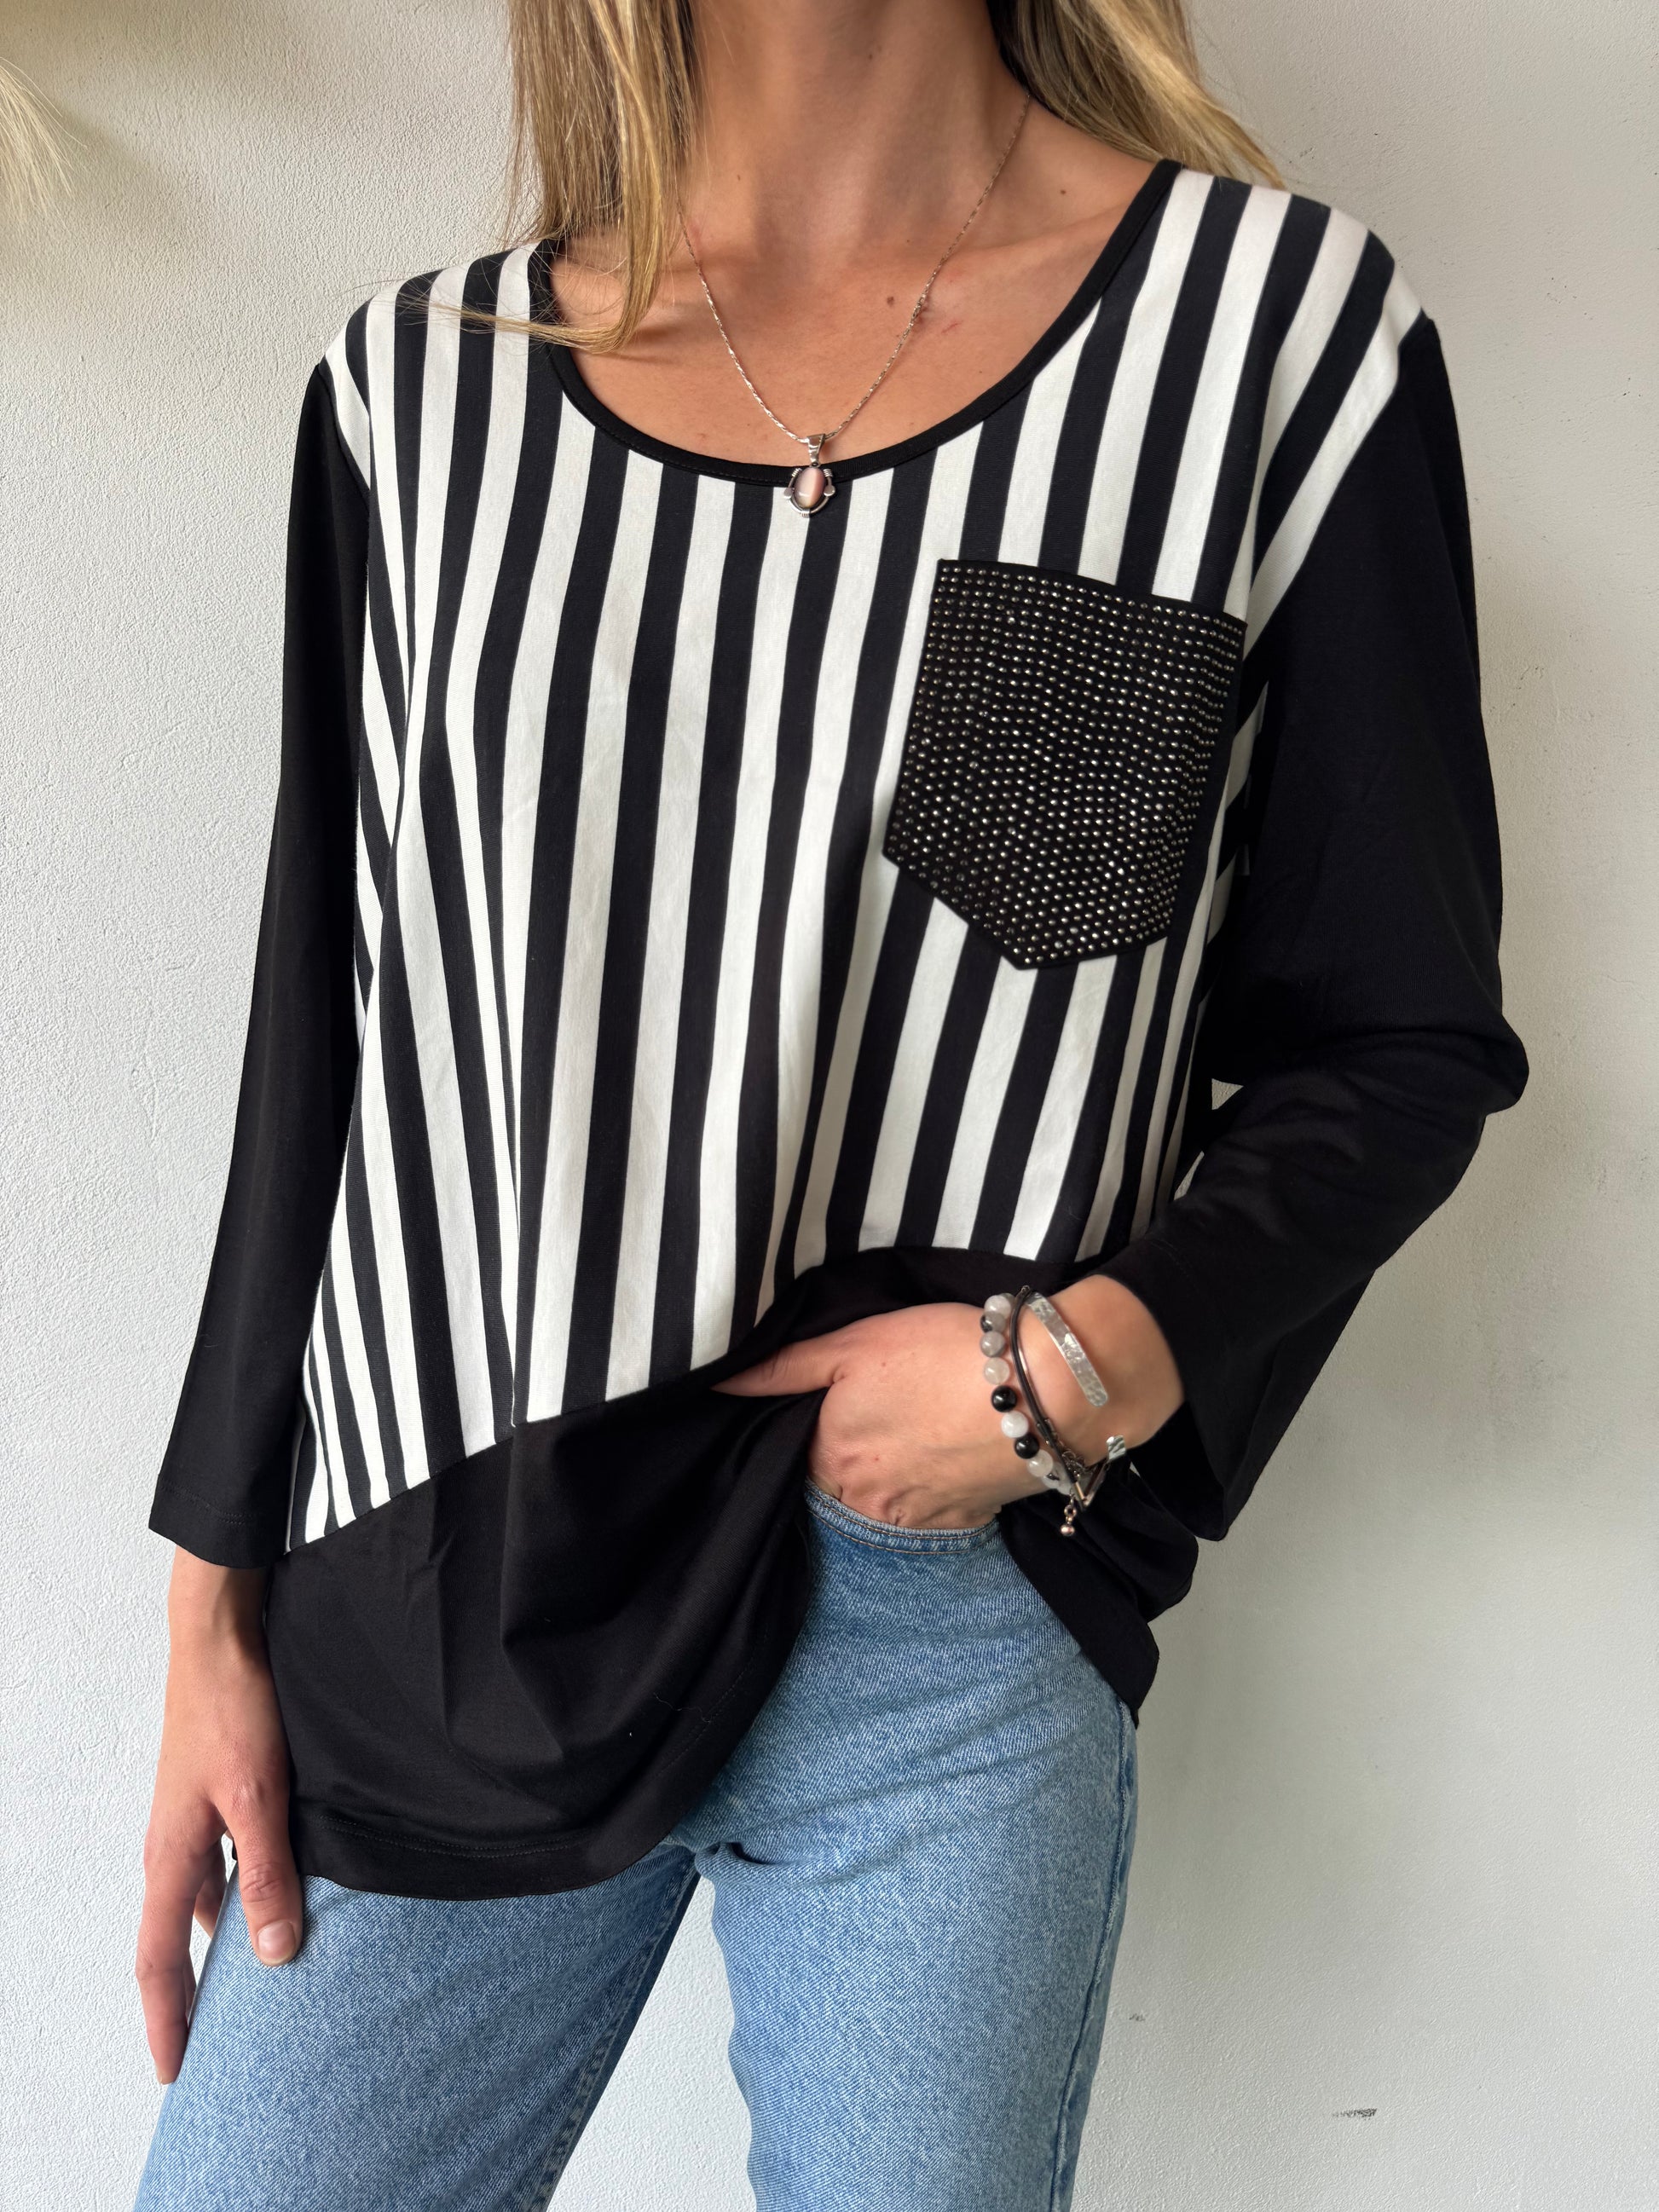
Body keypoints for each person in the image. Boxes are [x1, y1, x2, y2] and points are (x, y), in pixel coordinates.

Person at [132, 0, 1528, 2203]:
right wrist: (211, 1613)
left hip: (936, 1612)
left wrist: (1070, 1375)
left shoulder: (1263, 341)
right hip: (449, 1581)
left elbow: (1395, 1039)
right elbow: (325, 1028)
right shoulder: (419, 396)